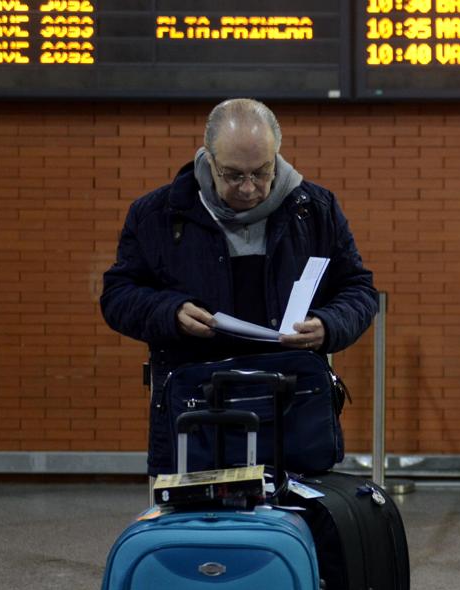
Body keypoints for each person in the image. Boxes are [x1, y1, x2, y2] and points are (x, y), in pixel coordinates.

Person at [101, 98, 377, 476]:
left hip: (293, 414)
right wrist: (172, 312)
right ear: (209, 160)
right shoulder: (157, 215)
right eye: (233, 175)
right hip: (196, 414)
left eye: (262, 172)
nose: (249, 189)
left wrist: (329, 325)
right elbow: (117, 296)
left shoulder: (315, 209)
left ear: (277, 155)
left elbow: (358, 288)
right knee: (199, 532)